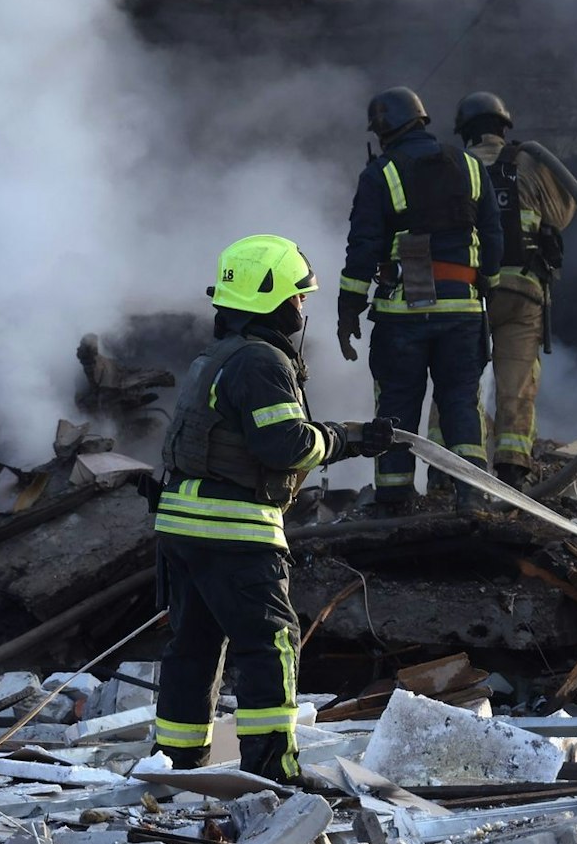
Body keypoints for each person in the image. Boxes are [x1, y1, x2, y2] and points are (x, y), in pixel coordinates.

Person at [150, 234, 396, 785]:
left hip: (181, 526)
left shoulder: (215, 357)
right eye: (299, 298)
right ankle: (273, 771)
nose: (302, 308)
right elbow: (284, 445)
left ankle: (173, 768)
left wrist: (349, 435)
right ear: (278, 300)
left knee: (192, 647)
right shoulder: (261, 362)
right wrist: (342, 439)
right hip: (234, 529)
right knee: (270, 645)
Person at [337, 86, 501, 511]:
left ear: (384, 128)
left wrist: (348, 309)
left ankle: (394, 498)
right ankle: (471, 495)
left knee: (396, 405)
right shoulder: (470, 165)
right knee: (461, 405)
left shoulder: (381, 174)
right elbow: (493, 235)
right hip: (463, 313)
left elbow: (364, 246)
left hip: (403, 315)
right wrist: (487, 281)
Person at [450, 90, 577, 489]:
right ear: (504, 127)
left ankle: (449, 468)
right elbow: (561, 215)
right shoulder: (530, 163)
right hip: (523, 290)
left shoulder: (454, 166)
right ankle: (512, 470)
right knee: (517, 383)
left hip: (468, 290)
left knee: (457, 379)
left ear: (465, 131)